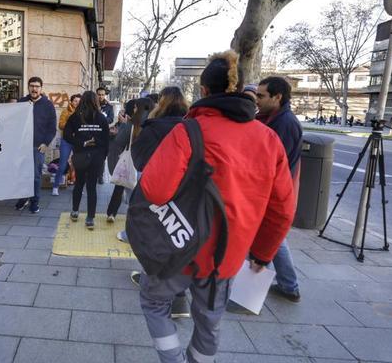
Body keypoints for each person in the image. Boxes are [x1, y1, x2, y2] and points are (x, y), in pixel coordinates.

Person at [136, 50, 295, 363]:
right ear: (238, 89)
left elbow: (155, 190)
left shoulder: (187, 131)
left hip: (176, 247)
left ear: (204, 91)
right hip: (227, 254)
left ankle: (172, 359)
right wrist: (262, 254)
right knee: (209, 320)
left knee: (153, 303)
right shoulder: (268, 139)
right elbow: (283, 209)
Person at [128, 87, 191, 318]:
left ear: (161, 104)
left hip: (154, 192)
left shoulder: (153, 128)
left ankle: (157, 286)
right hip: (186, 194)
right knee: (179, 237)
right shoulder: (192, 127)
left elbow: (138, 161)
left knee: (154, 238)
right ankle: (181, 296)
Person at [255, 76, 303, 303]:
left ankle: (288, 285)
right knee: (274, 237)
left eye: (261, 95)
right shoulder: (270, 118)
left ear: (277, 97)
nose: (257, 100)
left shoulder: (284, 123)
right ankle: (287, 284)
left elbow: (271, 163)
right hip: (270, 191)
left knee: (274, 237)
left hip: (273, 192)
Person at [63, 91, 110, 229]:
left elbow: (66, 135)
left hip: (80, 155)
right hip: (96, 158)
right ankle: (90, 218)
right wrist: (103, 156)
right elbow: (106, 140)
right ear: (96, 101)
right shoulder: (101, 118)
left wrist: (80, 143)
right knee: (91, 187)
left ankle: (75, 211)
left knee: (79, 184)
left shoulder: (75, 117)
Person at [106, 97, 153, 223]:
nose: (134, 109)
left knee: (120, 185)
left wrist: (122, 126)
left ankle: (112, 213)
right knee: (142, 194)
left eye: (136, 107)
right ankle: (138, 218)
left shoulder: (132, 124)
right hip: (148, 164)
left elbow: (119, 141)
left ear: (139, 108)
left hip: (131, 161)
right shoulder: (154, 124)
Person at [15, 77, 57, 214]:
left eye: (37, 86)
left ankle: (34, 202)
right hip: (21, 146)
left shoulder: (48, 105)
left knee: (35, 176)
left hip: (37, 147)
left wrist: (46, 143)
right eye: (32, 86)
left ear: (41, 88)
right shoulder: (21, 102)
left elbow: (52, 127)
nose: (34, 89)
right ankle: (22, 199)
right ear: (28, 87)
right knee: (21, 174)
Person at [52, 93, 81, 196]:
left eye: (79, 101)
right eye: (75, 101)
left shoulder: (83, 112)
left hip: (78, 141)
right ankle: (55, 186)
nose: (77, 103)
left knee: (78, 164)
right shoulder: (66, 111)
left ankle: (78, 187)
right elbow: (60, 125)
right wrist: (71, 122)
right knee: (63, 163)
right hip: (67, 140)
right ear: (71, 102)